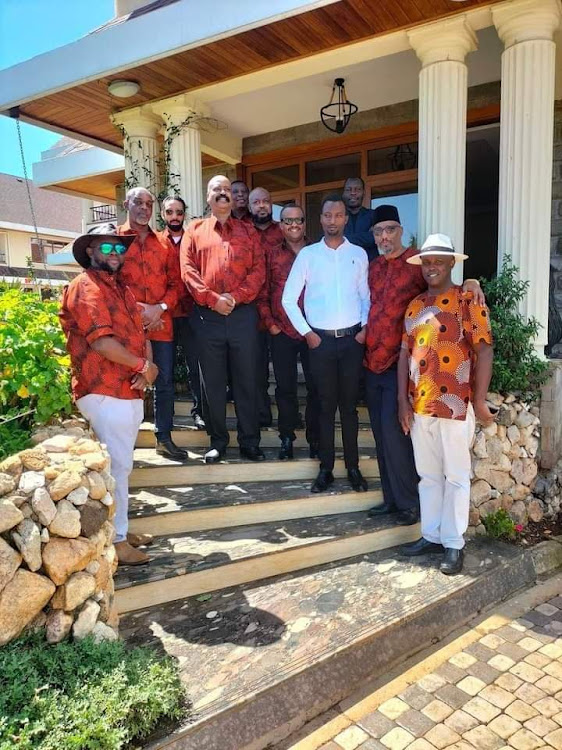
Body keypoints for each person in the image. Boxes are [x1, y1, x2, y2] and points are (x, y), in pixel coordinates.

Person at [365, 205, 486, 526]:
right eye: (378, 231)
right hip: (372, 362)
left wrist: (471, 281)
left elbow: (445, 284)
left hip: (402, 365)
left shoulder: (417, 262)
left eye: (389, 229)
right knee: (380, 434)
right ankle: (391, 499)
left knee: (396, 436)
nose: (384, 236)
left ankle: (409, 505)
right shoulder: (374, 267)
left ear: (401, 230)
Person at [60, 224, 158, 566]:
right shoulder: (85, 288)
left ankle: (121, 528)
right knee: (117, 467)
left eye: (119, 249)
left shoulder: (121, 288)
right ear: (90, 250)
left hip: (125, 390)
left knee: (122, 467)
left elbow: (140, 331)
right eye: (107, 248)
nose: (115, 254)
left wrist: (145, 368)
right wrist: (142, 365)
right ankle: (116, 541)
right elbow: (100, 341)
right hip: (102, 389)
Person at [398, 234, 494, 575]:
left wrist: (480, 400)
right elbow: (404, 354)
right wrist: (402, 401)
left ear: (452, 263)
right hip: (420, 405)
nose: (432, 267)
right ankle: (432, 535)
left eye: (439, 260)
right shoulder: (414, 306)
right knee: (428, 476)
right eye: (427, 261)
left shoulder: (468, 299)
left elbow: (484, 349)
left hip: (455, 406)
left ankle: (453, 544)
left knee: (455, 477)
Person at [283, 194, 370, 493]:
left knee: (348, 408)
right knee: (323, 406)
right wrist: (307, 332)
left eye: (338, 215)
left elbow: (365, 297)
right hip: (319, 343)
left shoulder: (359, 254)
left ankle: (354, 468)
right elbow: (288, 299)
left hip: (351, 341)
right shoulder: (308, 255)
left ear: (346, 219)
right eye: (327, 215)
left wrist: (365, 329)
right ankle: (326, 468)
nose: (332, 220)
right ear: (320, 220)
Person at [180, 175, 266, 463]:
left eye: (227, 190)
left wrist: (235, 297)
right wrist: (213, 300)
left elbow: (258, 272)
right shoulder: (194, 231)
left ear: (233, 197)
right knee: (212, 384)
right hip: (207, 317)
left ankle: (249, 442)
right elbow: (188, 272)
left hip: (242, 315)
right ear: (208, 197)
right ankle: (218, 441)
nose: (223, 194)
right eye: (217, 189)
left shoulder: (249, 232)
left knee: (247, 380)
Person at [116, 187, 186, 461]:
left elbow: (176, 284)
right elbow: (110, 282)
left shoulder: (164, 243)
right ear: (126, 204)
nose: (144, 208)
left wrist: (159, 309)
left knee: (165, 381)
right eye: (138, 202)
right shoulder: (114, 240)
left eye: (149, 203)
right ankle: (124, 441)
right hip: (127, 326)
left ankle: (164, 437)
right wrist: (138, 311)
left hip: (162, 324)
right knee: (128, 380)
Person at [257, 204, 320, 460]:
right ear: (280, 225)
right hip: (281, 330)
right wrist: (270, 323)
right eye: (287, 221)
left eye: (298, 220)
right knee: (285, 388)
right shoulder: (271, 254)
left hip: (313, 331)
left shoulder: (318, 252)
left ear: (305, 223)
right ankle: (286, 437)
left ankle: (316, 438)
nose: (294, 225)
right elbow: (263, 293)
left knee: (316, 387)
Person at [158, 196, 205, 431]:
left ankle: (199, 413)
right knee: (163, 370)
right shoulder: (156, 241)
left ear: (184, 214)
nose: (174, 216)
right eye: (169, 212)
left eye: (178, 212)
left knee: (195, 366)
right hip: (164, 314)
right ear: (163, 214)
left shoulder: (194, 239)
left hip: (190, 311)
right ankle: (165, 419)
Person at [249, 186, 284, 428]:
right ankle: (262, 414)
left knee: (284, 372)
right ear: (250, 207)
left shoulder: (282, 232)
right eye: (257, 202)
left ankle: (289, 417)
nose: (262, 205)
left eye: (266, 201)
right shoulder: (243, 232)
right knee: (256, 369)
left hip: (282, 313)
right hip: (251, 314)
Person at [342, 177, 378, 262]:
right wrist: (365, 236)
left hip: (370, 269)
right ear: (343, 193)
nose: (353, 193)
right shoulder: (337, 218)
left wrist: (343, 239)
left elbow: (375, 237)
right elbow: (330, 240)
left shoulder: (374, 215)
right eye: (348, 190)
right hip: (344, 269)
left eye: (357, 189)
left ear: (364, 193)